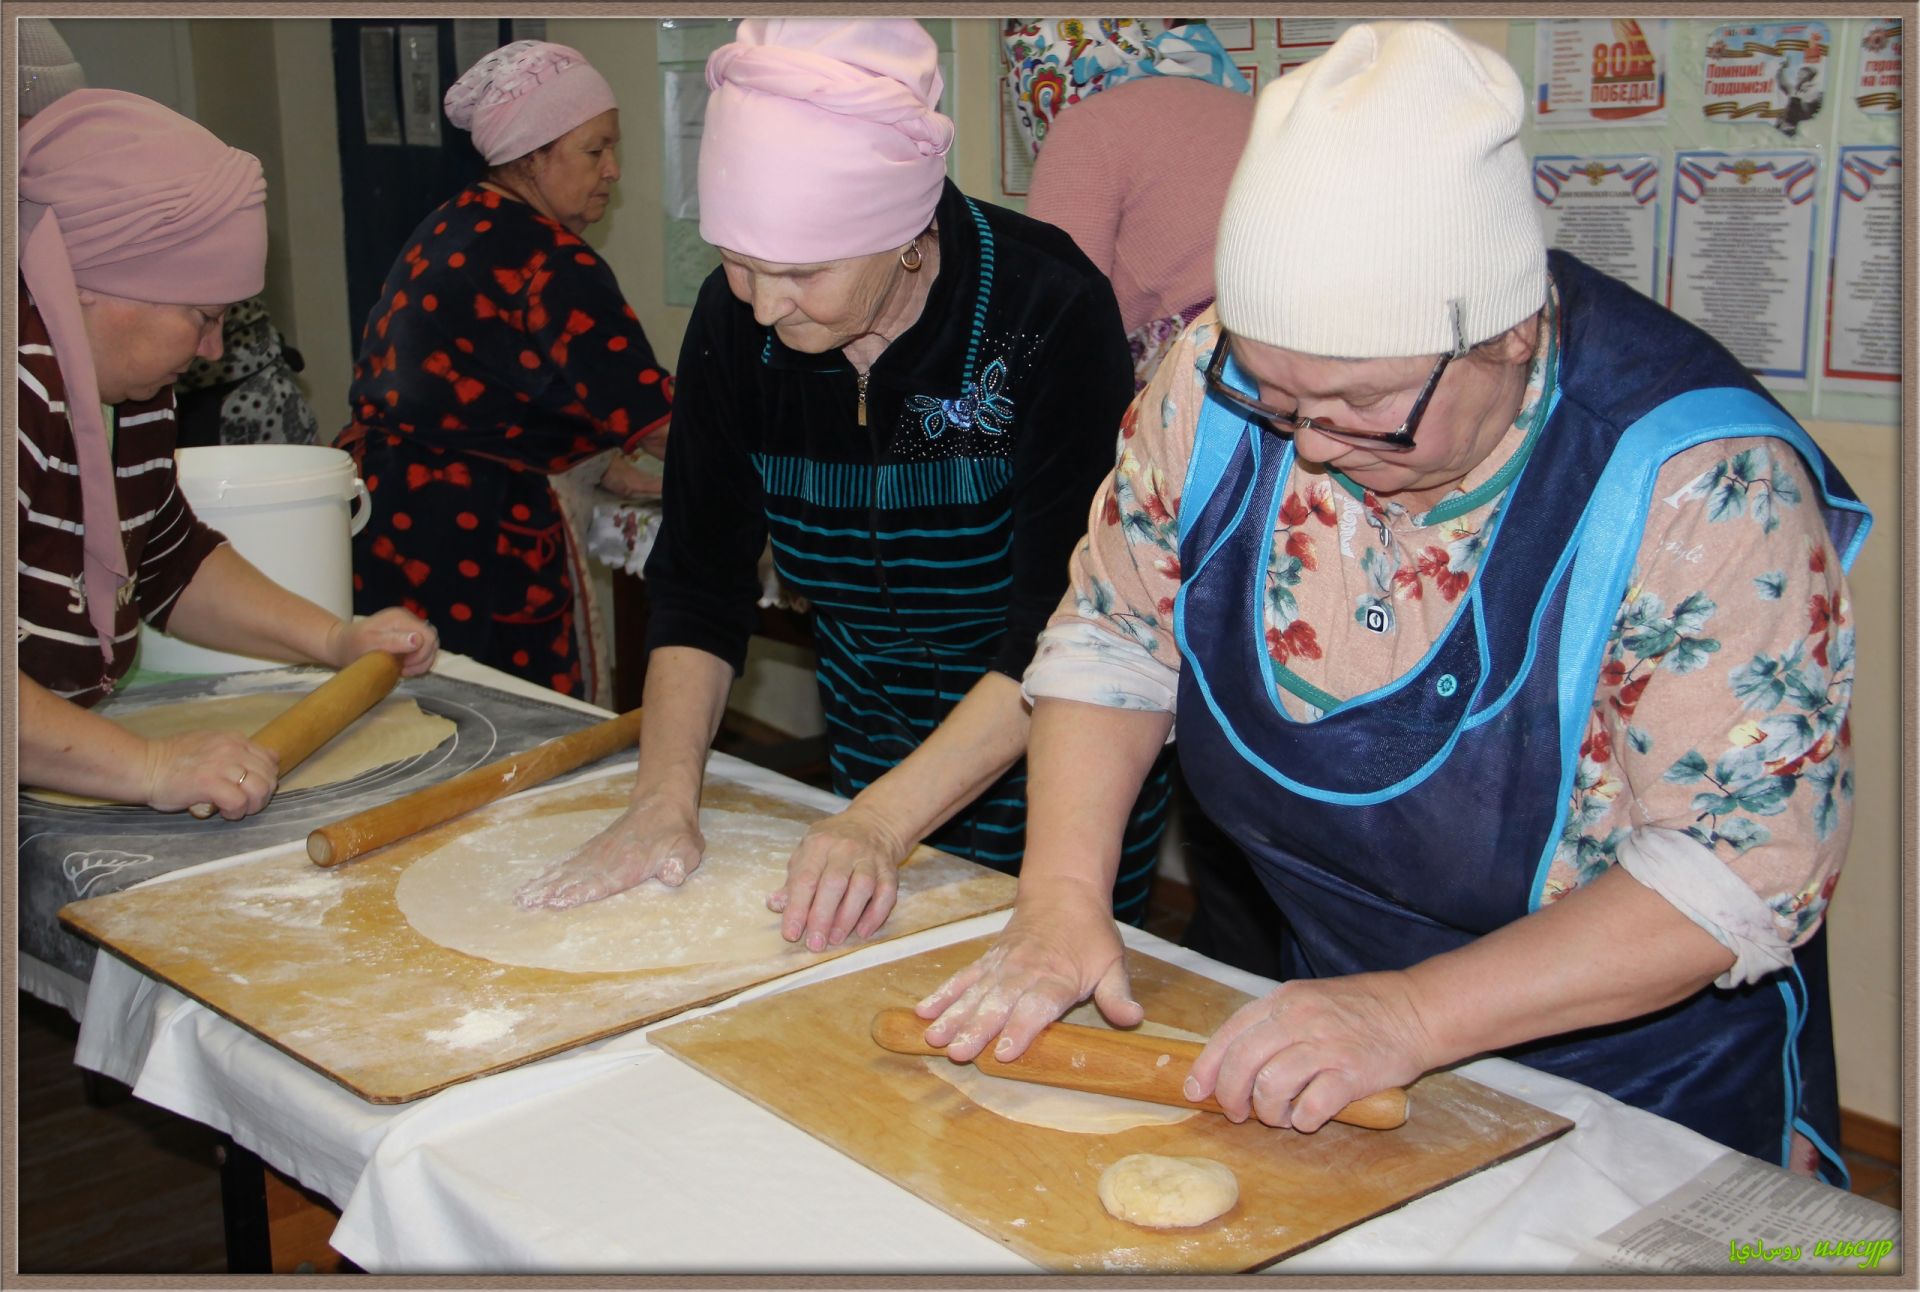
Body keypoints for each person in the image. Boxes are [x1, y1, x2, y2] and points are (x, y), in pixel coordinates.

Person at [918, 23, 1870, 1184]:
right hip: (1343, 1026)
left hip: (1646, 1089)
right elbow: (1118, 632)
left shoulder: (1697, 482)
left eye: (1361, 404)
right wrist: (1061, 897)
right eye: (1277, 396)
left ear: (1511, 334)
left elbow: (1738, 862)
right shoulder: (1216, 384)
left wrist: (1410, 1018)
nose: (1309, 449)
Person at [515, 19, 1173, 949]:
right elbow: (701, 584)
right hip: (869, 739)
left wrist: (878, 824)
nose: (764, 304)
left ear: (904, 234)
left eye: (802, 274)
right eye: (740, 263)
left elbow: (1062, 628)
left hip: (1061, 772)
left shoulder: (1044, 310)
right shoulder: (734, 322)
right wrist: (663, 802)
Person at [18, 89, 438, 820]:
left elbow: (170, 561)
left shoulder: (133, 393)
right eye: (202, 317)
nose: (213, 349)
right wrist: (149, 765)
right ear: (92, 283)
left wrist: (335, 639)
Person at [1024, 71, 1279, 980]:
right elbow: (1115, 638)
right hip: (1213, 446)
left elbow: (1056, 312)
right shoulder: (1237, 106)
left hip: (1195, 435)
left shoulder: (1094, 129)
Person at [338, 40, 672, 701]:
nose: (613, 171)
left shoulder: (450, 224)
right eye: (594, 150)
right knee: (512, 722)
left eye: (614, 150)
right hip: (478, 532)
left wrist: (603, 466)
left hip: (381, 512)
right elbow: (657, 418)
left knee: (411, 716)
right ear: (532, 154)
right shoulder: (554, 263)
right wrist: (782, 465)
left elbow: (493, 386)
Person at [1025, 76, 1254, 390]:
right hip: (1301, 343)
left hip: (1206, 371)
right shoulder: (1243, 103)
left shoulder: (1086, 128)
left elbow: (1060, 316)